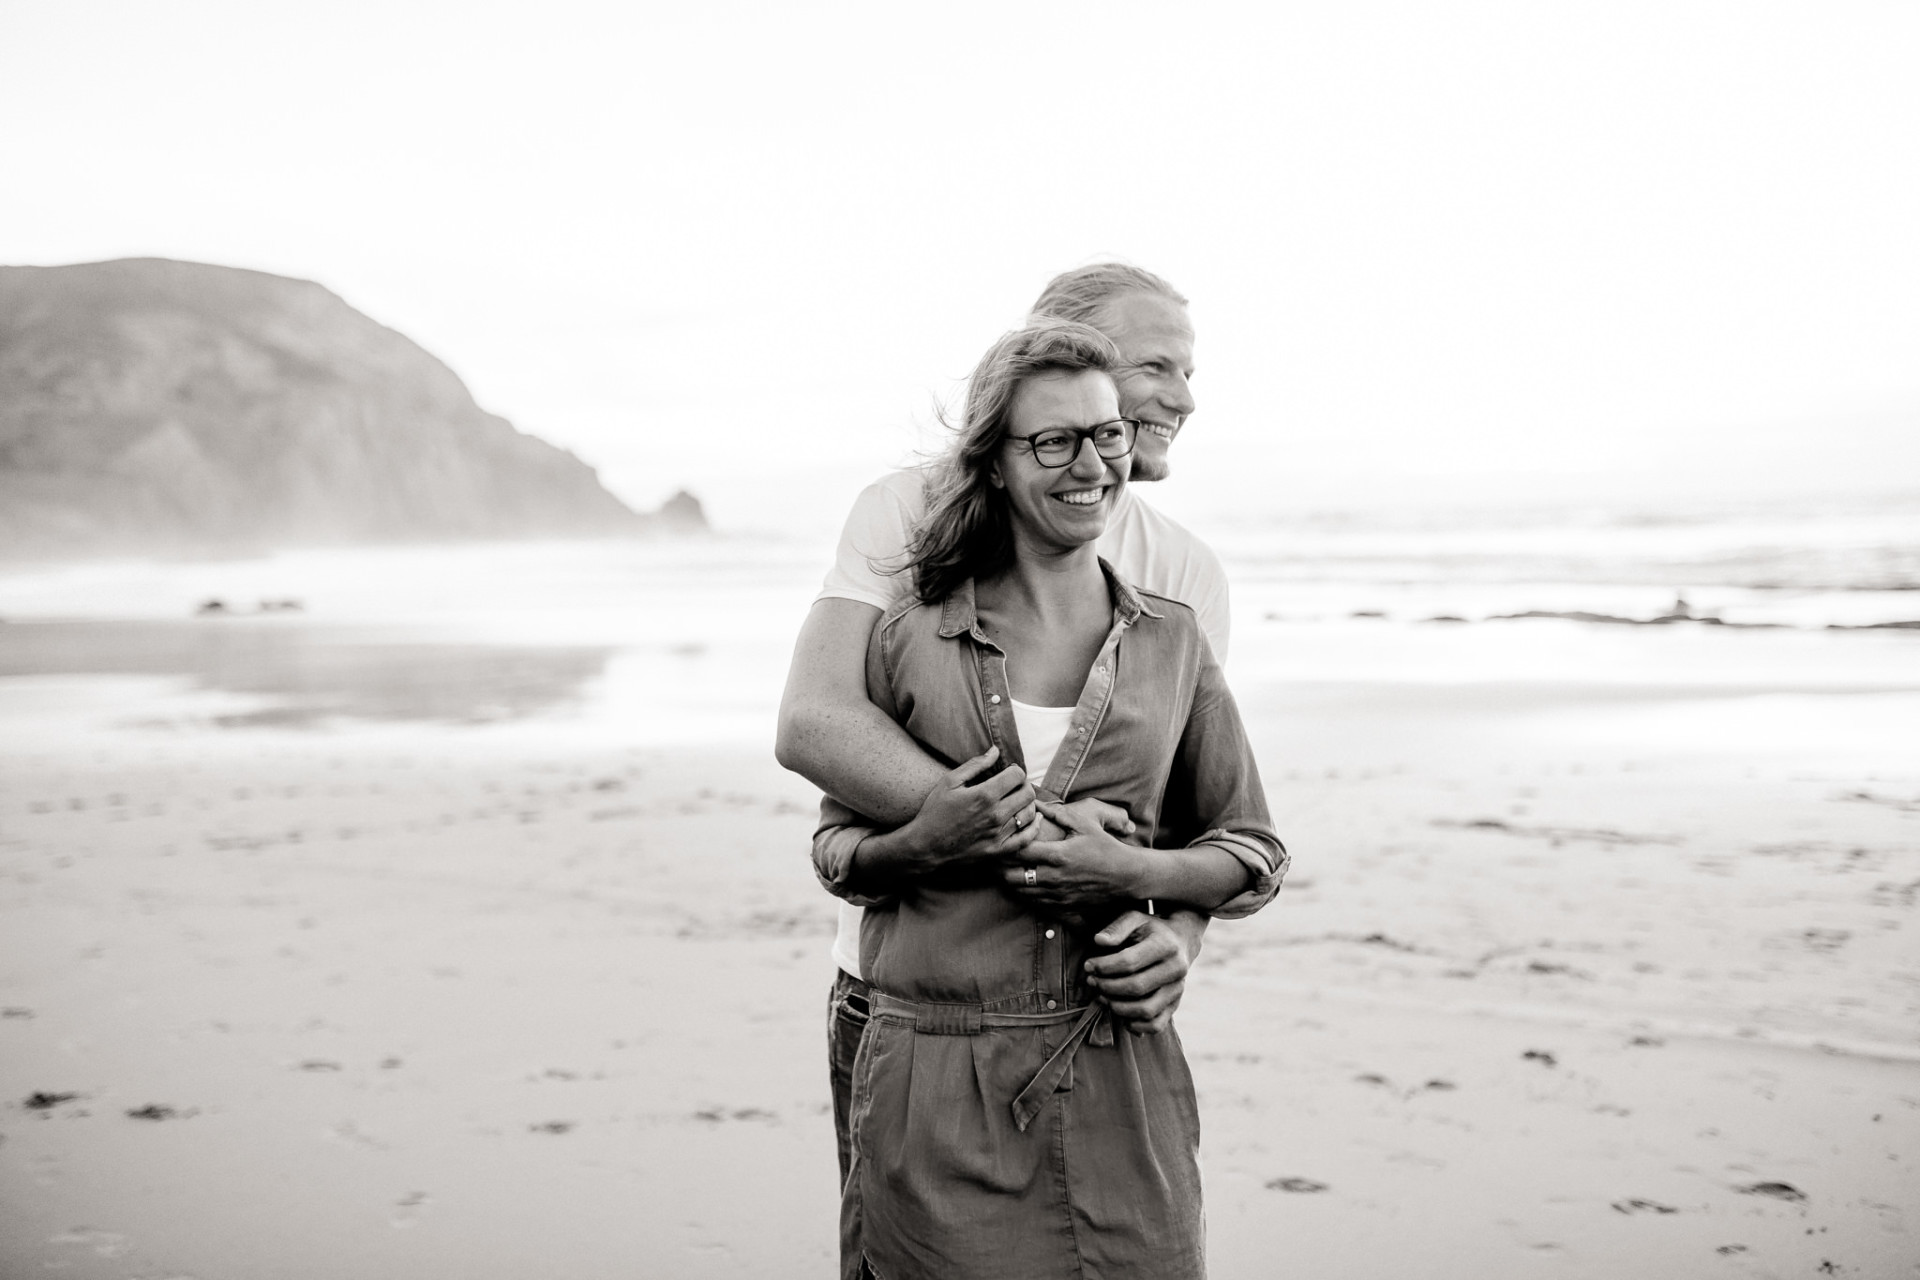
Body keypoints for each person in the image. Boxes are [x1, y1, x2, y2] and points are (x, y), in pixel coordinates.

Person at [812, 317, 1284, 1277]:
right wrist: (933, 838)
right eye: (1053, 441)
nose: (1090, 465)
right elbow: (835, 851)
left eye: (1107, 435)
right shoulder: (907, 641)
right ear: (993, 462)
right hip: (934, 1076)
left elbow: (1252, 851)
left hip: (1119, 1064)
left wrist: (1136, 873)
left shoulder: (1173, 641)